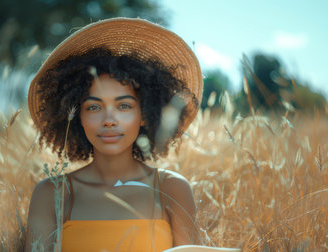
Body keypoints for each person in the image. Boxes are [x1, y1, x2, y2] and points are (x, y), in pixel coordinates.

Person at [25, 17, 203, 252]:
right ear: (77, 115)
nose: (109, 120)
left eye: (124, 106)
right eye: (94, 107)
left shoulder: (172, 189)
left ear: (144, 114)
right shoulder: (52, 194)